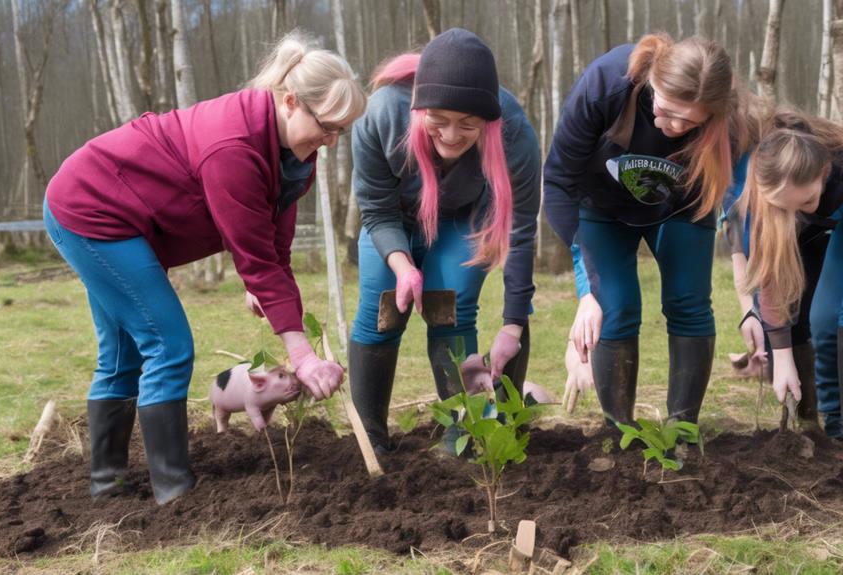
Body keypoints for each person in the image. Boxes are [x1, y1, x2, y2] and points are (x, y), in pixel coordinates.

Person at [42, 31, 365, 504]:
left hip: (119, 220)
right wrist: (303, 358)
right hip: (93, 212)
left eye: (342, 130)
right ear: (292, 102)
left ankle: (106, 485)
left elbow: (273, 240)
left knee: (122, 355)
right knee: (167, 344)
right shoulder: (233, 147)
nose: (333, 141)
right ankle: (174, 493)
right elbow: (254, 255)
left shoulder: (295, 153)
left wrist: (264, 286)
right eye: (328, 126)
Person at [544, 32, 759, 429]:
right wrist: (586, 285)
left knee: (688, 303)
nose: (673, 126)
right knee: (616, 306)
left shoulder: (730, 123)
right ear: (653, 81)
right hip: (602, 210)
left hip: (681, 207)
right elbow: (557, 181)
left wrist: (754, 304)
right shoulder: (606, 86)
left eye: (689, 121)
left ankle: (682, 429)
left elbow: (739, 208)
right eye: (666, 110)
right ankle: (619, 432)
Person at [348, 28, 540, 452]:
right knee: (382, 311)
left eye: (467, 126)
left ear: (488, 123)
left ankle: (463, 435)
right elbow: (376, 209)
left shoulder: (514, 134)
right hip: (394, 220)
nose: (451, 136)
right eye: (439, 123)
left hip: (462, 220)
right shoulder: (381, 114)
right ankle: (372, 439)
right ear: (420, 110)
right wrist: (402, 267)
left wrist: (512, 325)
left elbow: (522, 231)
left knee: (448, 307)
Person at [724, 110, 843, 461]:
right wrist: (781, 359)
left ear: (823, 173)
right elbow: (771, 276)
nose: (794, 213)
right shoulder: (771, 187)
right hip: (835, 220)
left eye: (806, 203)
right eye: (785, 208)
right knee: (822, 321)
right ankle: (833, 429)